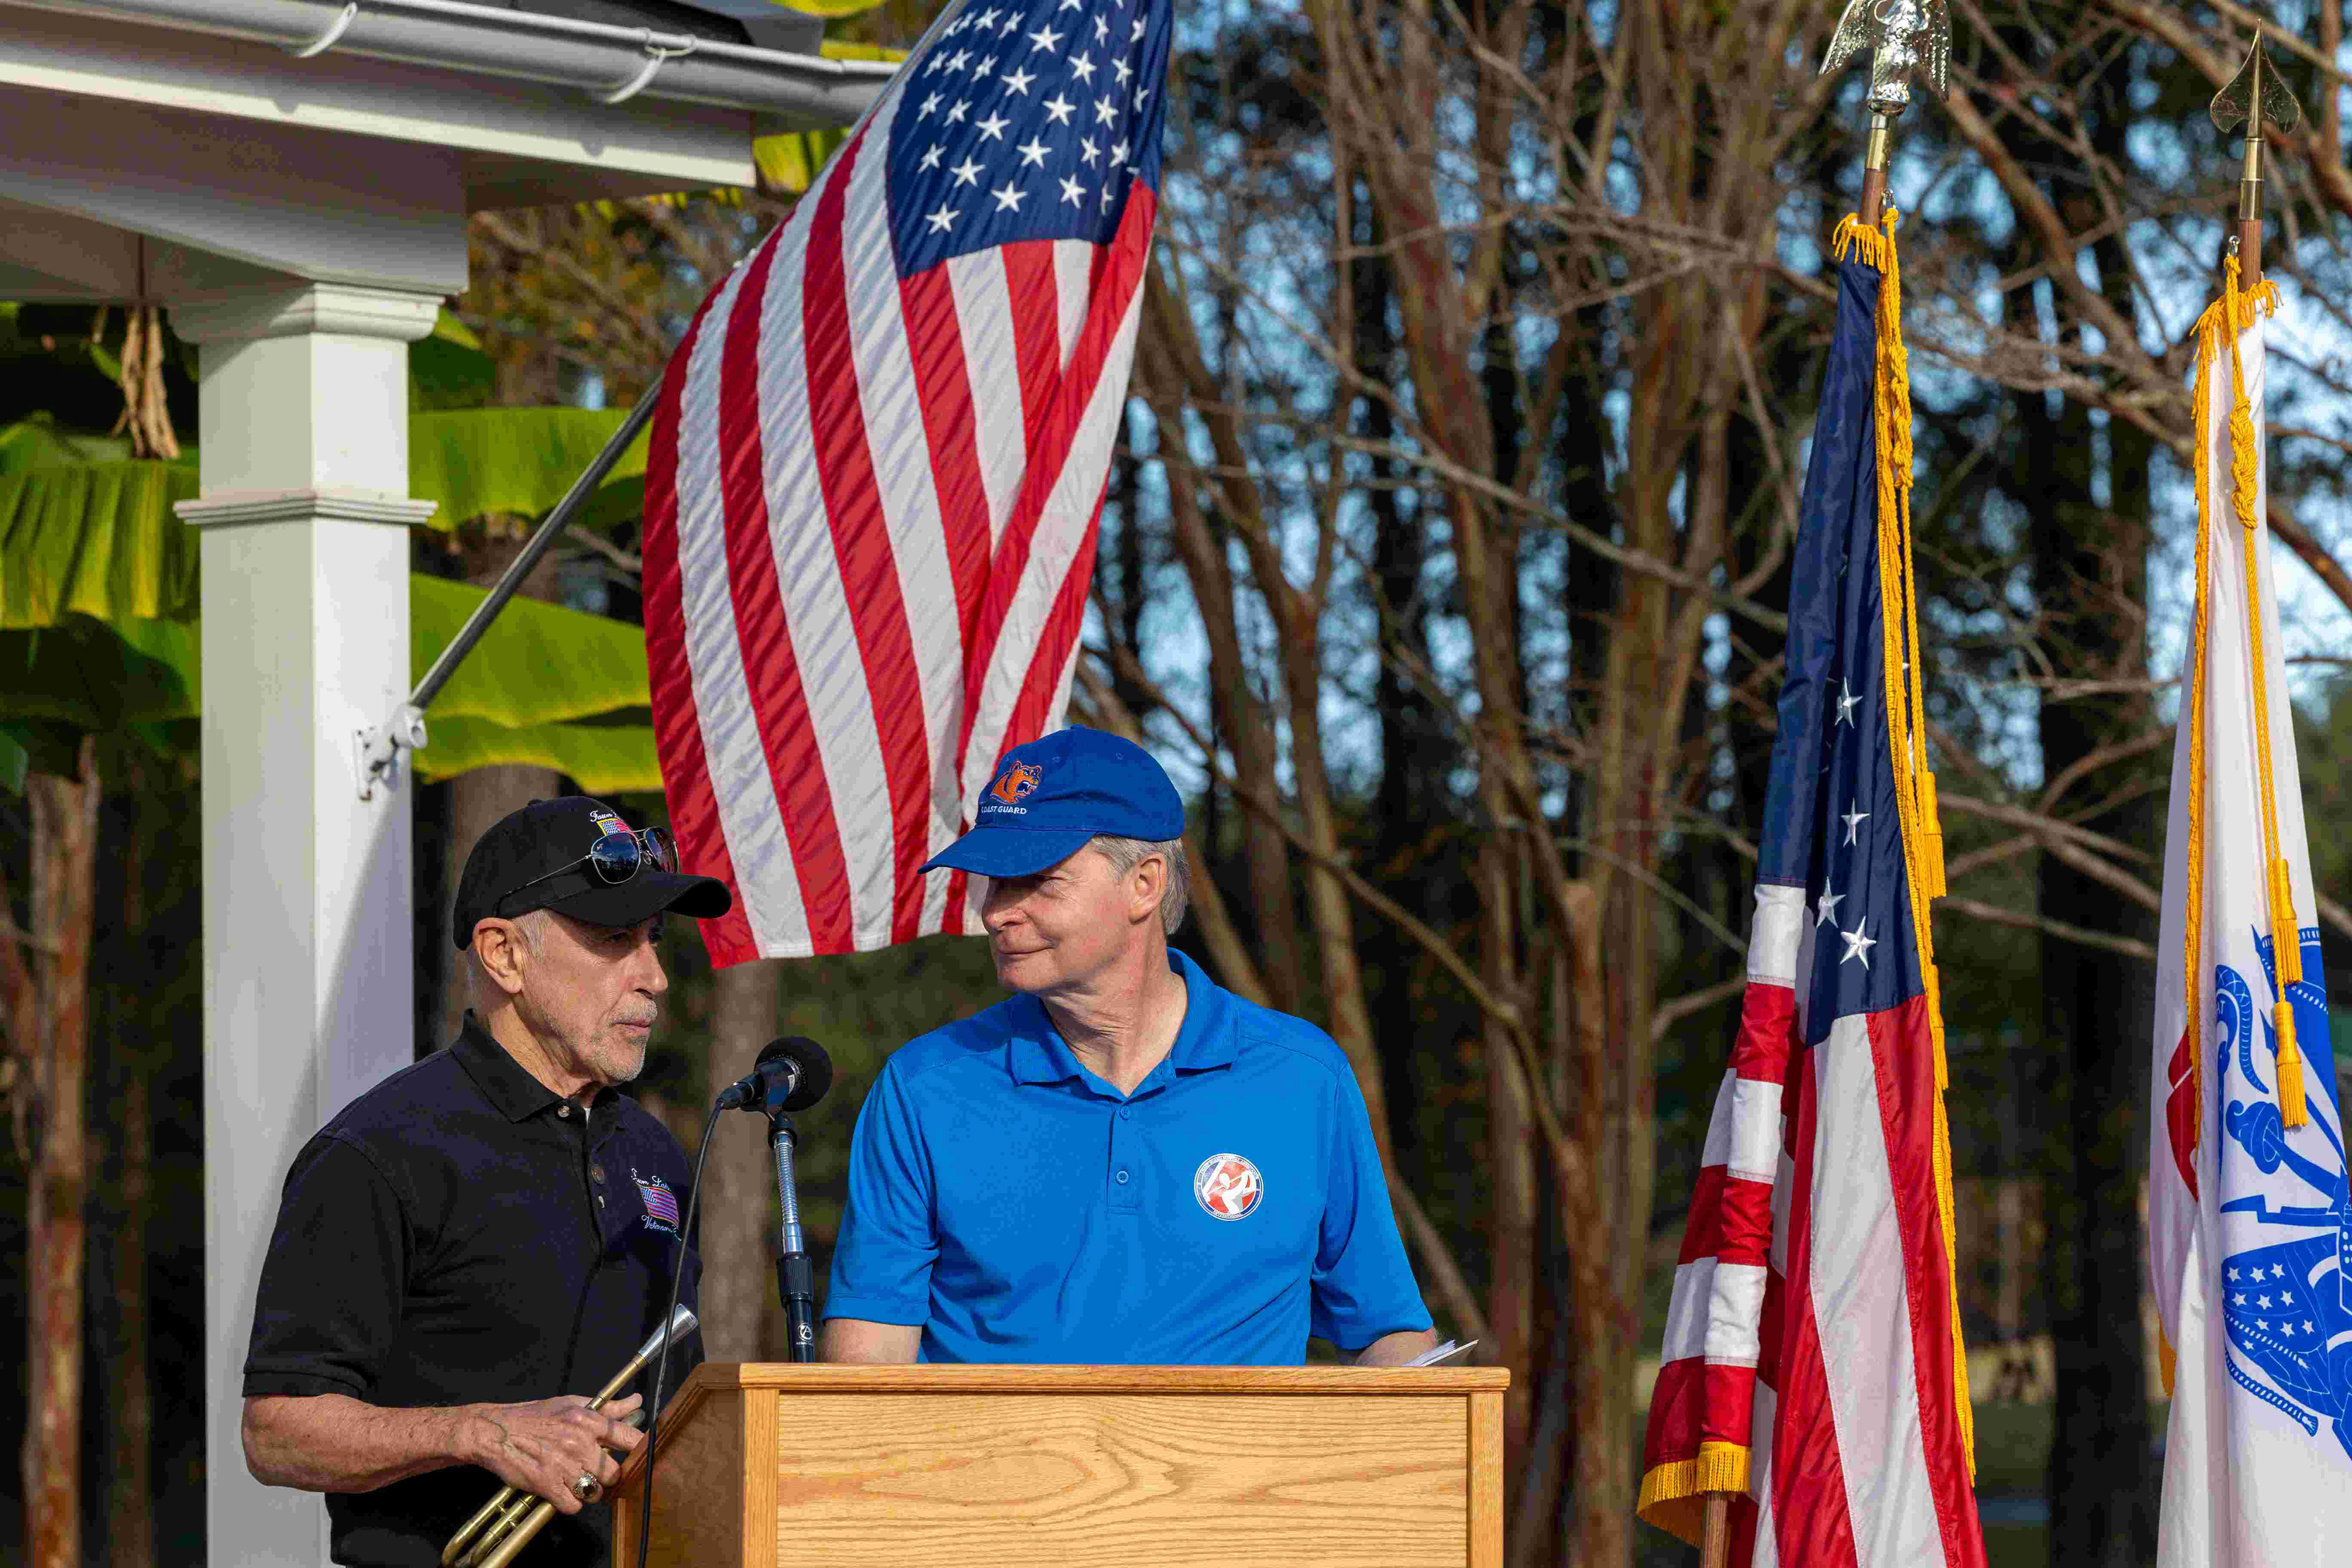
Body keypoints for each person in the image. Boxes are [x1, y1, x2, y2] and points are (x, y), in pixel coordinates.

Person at [821, 728, 1439, 1367]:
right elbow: (868, 1366)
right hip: (995, 1440)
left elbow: (1386, 1334)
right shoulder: (925, 1087)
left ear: (1145, 883)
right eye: (996, 883)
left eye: (1038, 881)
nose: (998, 913)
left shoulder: (1303, 1078)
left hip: (1235, 1441)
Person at [241, 797, 731, 1566]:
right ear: (504, 955)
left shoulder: (657, 1153)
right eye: (615, 939)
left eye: (653, 940)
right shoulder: (377, 1151)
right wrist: (475, 1432)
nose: (655, 977)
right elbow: (275, 1430)